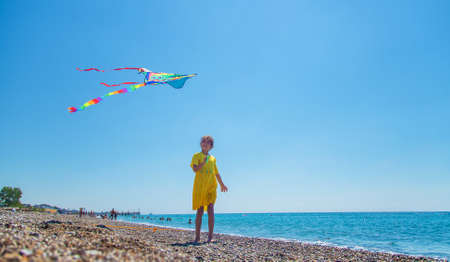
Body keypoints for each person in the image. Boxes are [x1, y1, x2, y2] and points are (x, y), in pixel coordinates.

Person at [191, 135, 228, 243]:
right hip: (200, 187)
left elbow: (216, 173)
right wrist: (202, 163)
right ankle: (197, 237)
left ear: (211, 146)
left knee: (211, 209)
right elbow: (194, 169)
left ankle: (210, 237)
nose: (205, 143)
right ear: (200, 144)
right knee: (200, 210)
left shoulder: (213, 159)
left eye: (208, 142)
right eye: (203, 141)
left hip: (211, 186)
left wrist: (222, 184)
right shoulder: (196, 156)